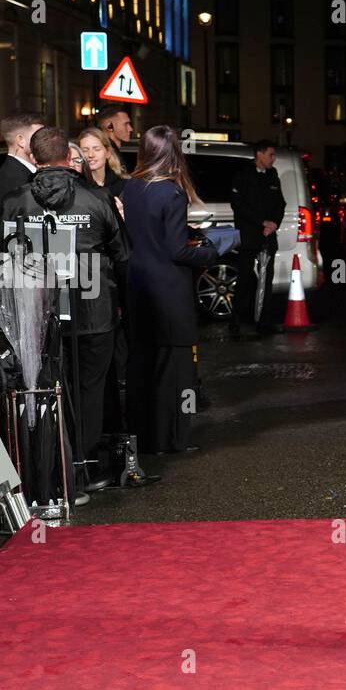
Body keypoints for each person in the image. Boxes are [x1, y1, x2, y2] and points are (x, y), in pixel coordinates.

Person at [0, 126, 129, 494]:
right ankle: (81, 470)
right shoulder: (97, 197)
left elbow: (6, 252)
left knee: (45, 386)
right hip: (93, 310)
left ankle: (49, 469)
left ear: (34, 157)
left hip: (38, 313)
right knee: (89, 389)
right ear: (69, 157)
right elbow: (122, 254)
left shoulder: (15, 200)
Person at [120, 125, 218, 454]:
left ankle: (145, 438)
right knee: (174, 369)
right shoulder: (172, 193)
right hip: (169, 291)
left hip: (138, 285)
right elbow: (177, 251)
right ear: (173, 152)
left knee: (144, 364)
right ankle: (173, 439)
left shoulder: (130, 187)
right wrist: (211, 250)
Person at [79, 126, 132, 436]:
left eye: (95, 148)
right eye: (84, 149)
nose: (90, 155)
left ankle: (121, 420)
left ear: (108, 152)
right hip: (94, 279)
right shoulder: (79, 187)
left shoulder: (122, 186)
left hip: (119, 272)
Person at [229, 138, 287, 337]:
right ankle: (235, 321)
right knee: (244, 280)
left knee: (266, 281)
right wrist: (261, 223)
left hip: (268, 237)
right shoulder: (242, 175)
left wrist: (274, 224)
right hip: (249, 236)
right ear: (259, 154)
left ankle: (264, 322)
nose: (273, 159)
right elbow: (239, 206)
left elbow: (280, 203)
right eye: (270, 154)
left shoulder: (272, 175)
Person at [0, 112, 44, 247]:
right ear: (21, 140)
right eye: (37, 137)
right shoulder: (15, 177)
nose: (43, 141)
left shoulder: (18, 170)